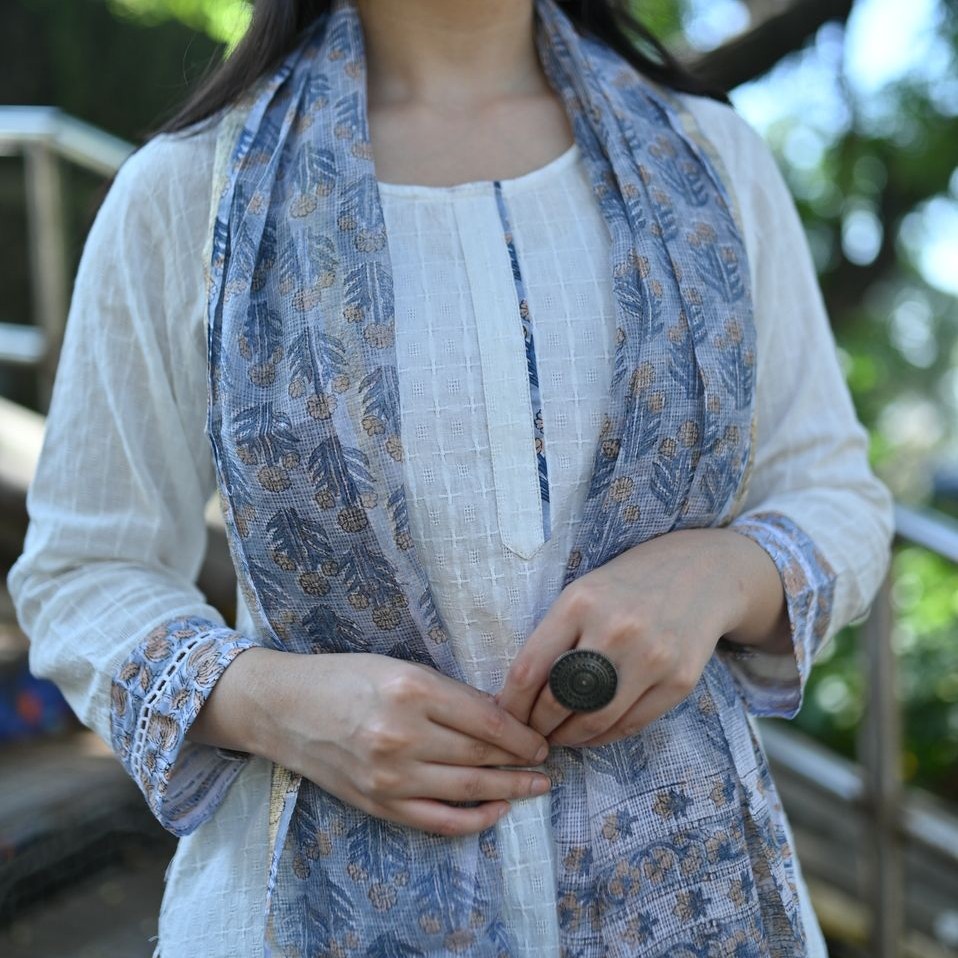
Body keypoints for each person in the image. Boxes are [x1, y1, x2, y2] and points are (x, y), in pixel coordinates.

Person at [8, 0, 894, 954]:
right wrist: (281, 707)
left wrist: (719, 576)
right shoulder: (190, 190)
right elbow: (82, 572)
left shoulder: (712, 158)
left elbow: (835, 493)